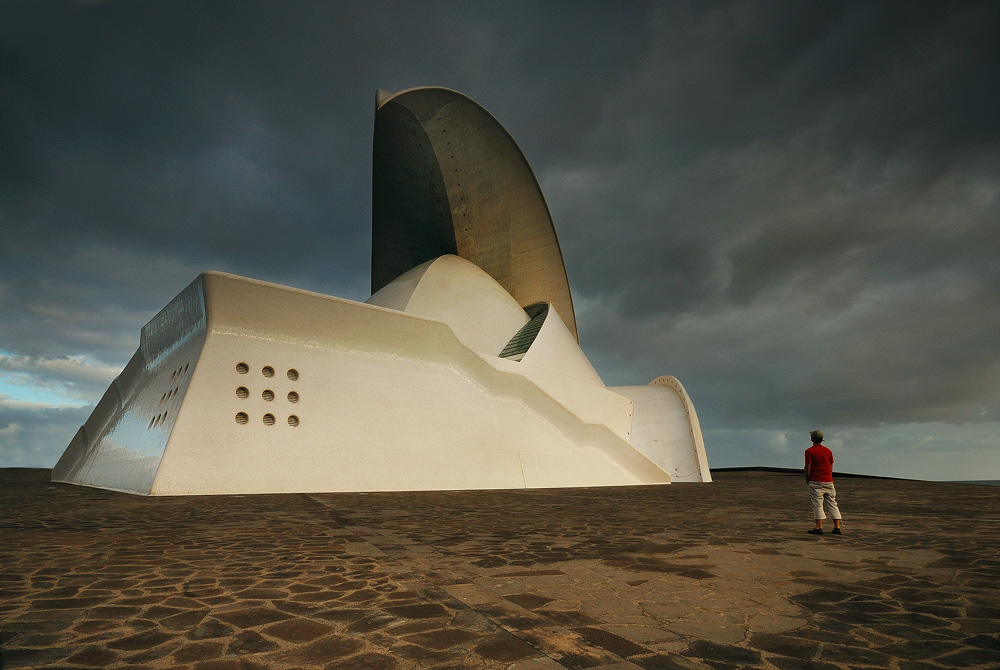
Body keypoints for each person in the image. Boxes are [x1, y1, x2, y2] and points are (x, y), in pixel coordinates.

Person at [804, 429, 842, 535]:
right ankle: (837, 527)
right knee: (833, 504)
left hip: (816, 481)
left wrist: (808, 479)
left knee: (817, 505)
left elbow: (807, 467)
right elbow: (830, 466)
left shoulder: (809, 451)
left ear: (812, 438)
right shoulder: (828, 451)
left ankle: (819, 527)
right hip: (828, 481)